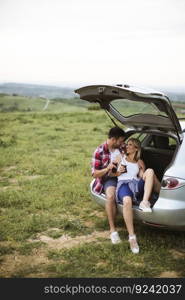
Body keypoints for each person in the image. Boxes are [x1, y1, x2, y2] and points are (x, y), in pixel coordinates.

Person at [113, 138, 161, 254]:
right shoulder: (120, 158)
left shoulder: (140, 162)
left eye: (130, 145)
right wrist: (118, 171)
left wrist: (141, 172)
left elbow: (141, 176)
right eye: (127, 144)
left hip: (135, 186)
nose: (127, 146)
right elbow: (112, 173)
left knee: (150, 171)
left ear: (136, 148)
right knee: (127, 201)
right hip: (123, 185)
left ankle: (144, 202)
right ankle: (132, 237)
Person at [91, 126, 126, 244]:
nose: (123, 143)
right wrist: (107, 168)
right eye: (121, 141)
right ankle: (113, 231)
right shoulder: (99, 151)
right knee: (110, 197)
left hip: (124, 176)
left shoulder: (122, 147)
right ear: (114, 139)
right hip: (110, 179)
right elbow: (95, 174)